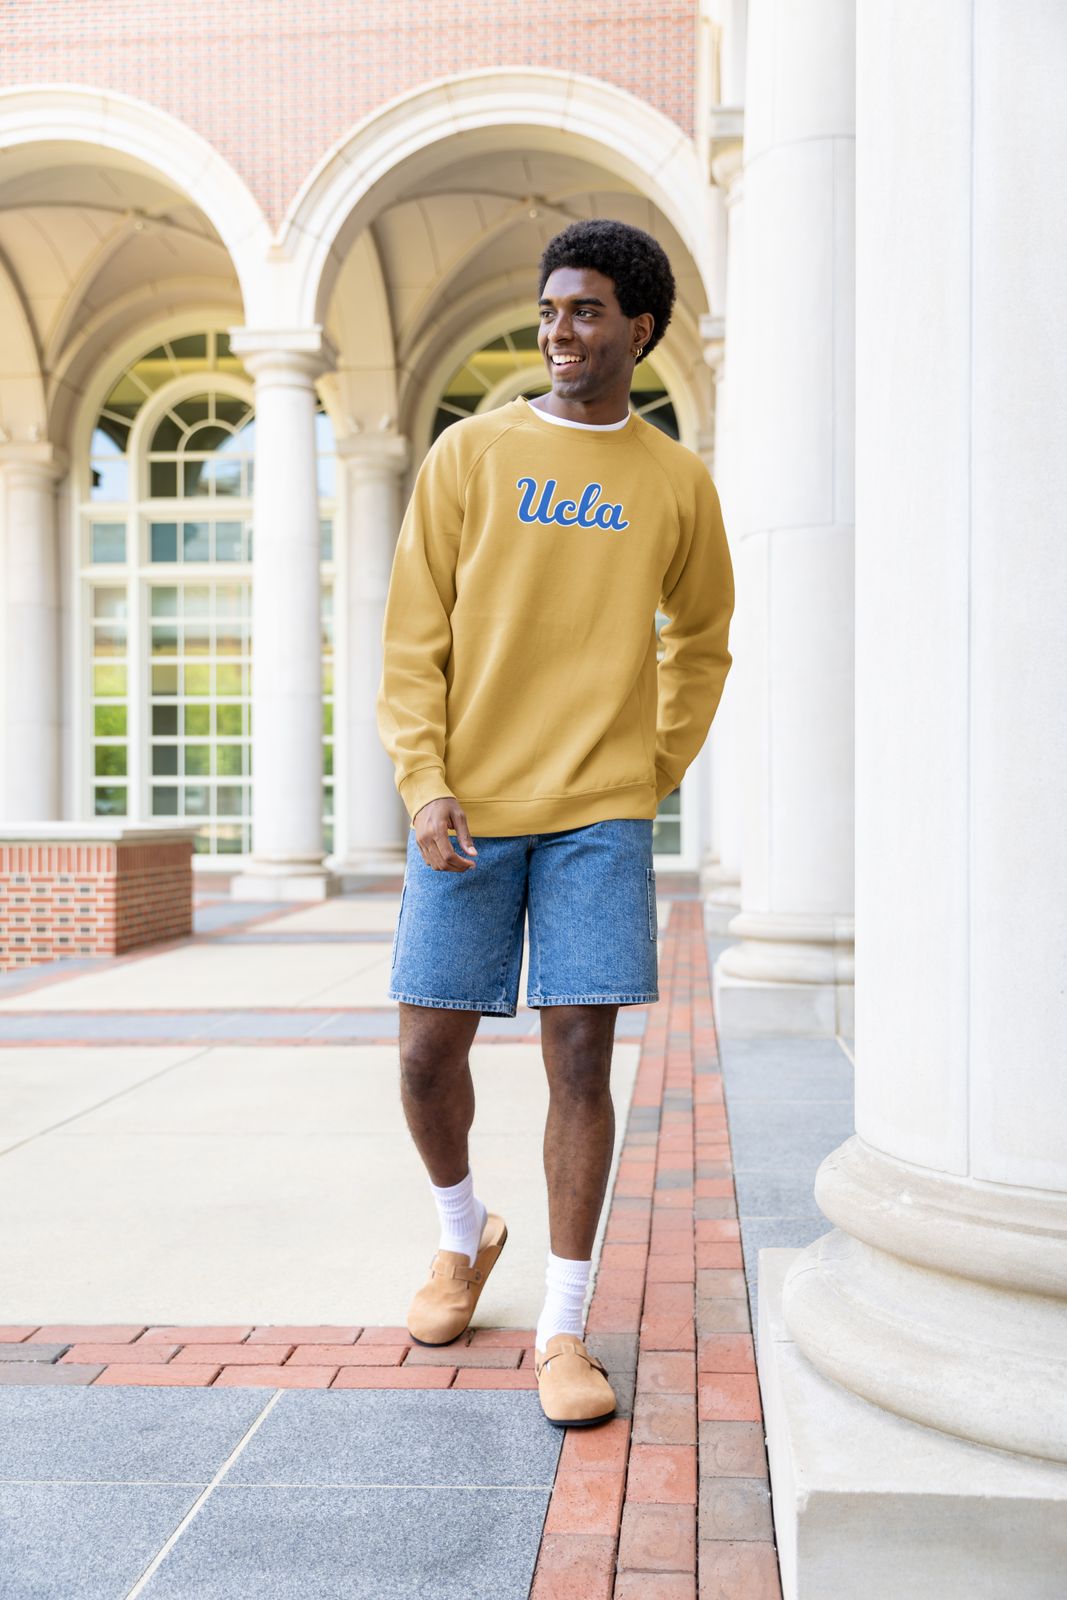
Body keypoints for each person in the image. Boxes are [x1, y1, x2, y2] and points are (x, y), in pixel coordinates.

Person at [376, 218, 735, 1427]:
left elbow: (702, 643)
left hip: (598, 815)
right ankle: (461, 1234)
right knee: (427, 1053)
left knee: (578, 1058)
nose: (557, 332)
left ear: (638, 328)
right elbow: (410, 639)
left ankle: (563, 1323)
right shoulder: (467, 457)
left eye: (583, 312)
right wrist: (421, 779)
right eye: (547, 311)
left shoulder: (676, 483)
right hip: (465, 808)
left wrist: (649, 764)